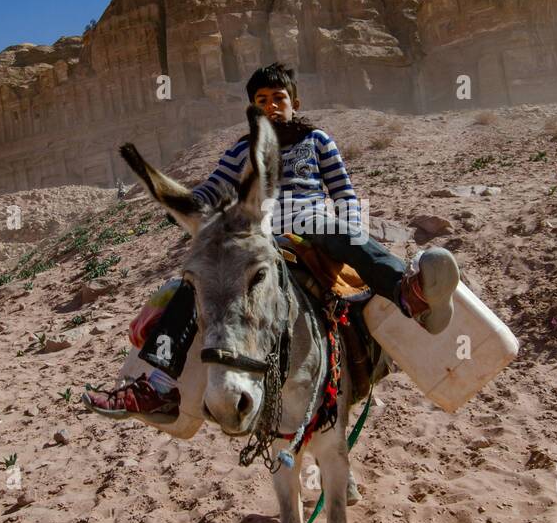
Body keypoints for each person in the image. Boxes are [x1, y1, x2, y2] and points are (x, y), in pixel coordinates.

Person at [83, 62, 459, 422]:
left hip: (310, 219)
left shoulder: (316, 140)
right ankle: (160, 385)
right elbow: (215, 186)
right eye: (261, 101)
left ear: (294, 104)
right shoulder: (240, 149)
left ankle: (407, 291)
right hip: (257, 231)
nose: (271, 106)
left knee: (335, 232)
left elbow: (343, 191)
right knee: (200, 283)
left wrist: (351, 228)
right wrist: (188, 205)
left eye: (278, 98)